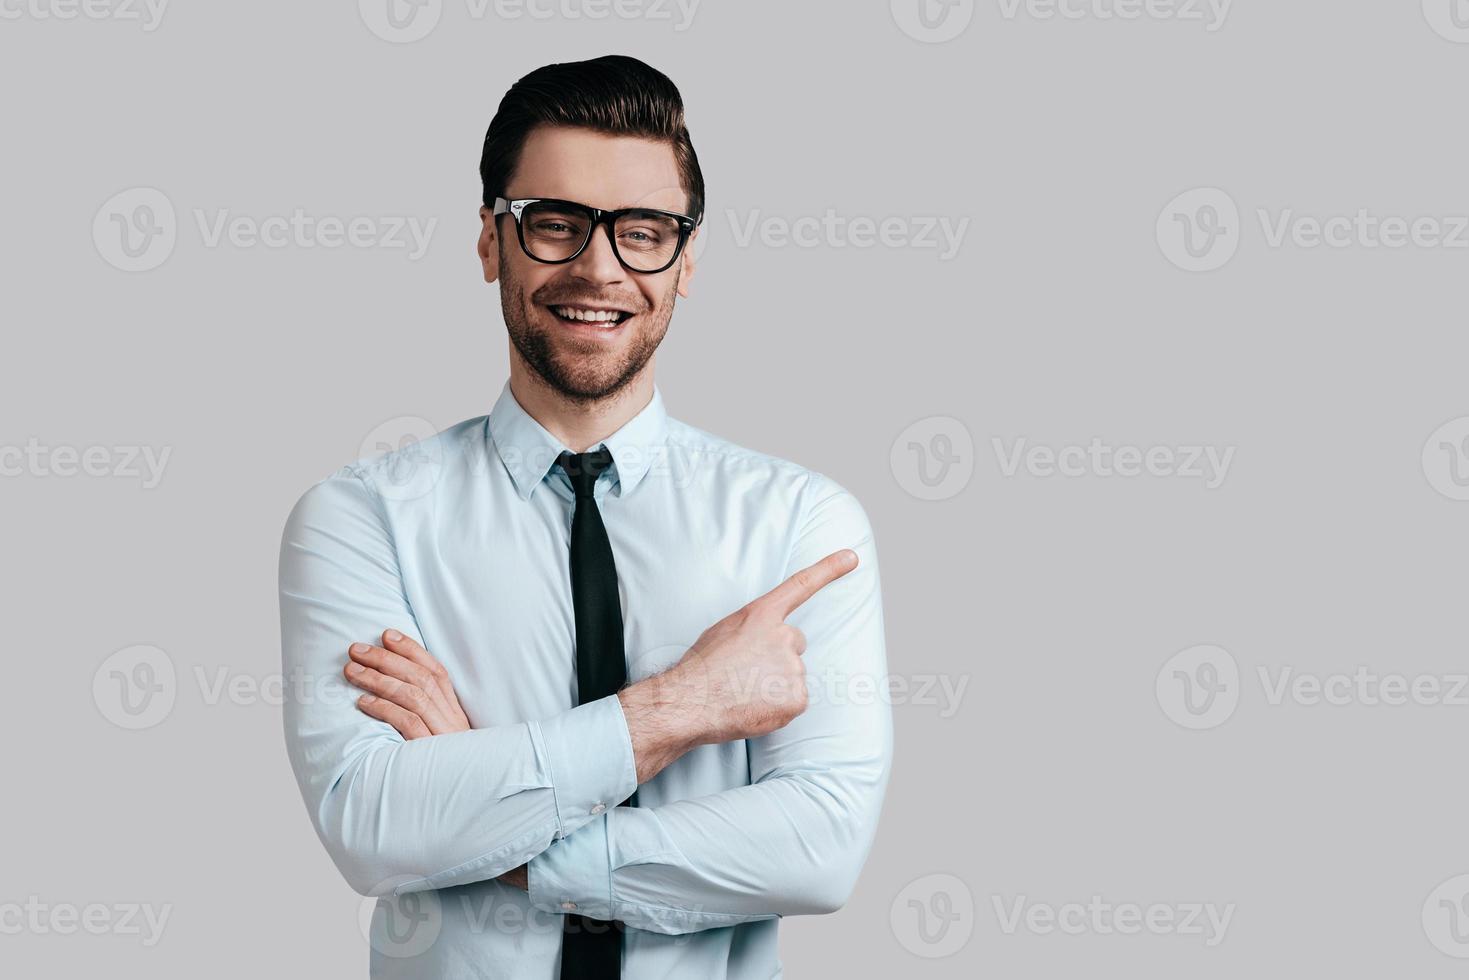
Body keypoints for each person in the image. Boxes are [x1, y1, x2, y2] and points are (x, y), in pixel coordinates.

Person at [278, 54, 892, 979]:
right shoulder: (360, 517)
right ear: (491, 241)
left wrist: (490, 816)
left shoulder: (801, 524)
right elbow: (373, 828)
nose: (599, 268)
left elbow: (820, 847)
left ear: (685, 261)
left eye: (643, 230)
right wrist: (685, 706)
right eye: (555, 224)